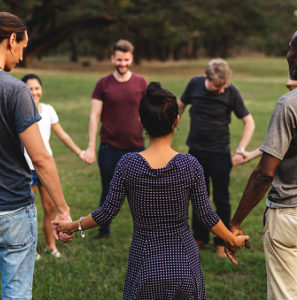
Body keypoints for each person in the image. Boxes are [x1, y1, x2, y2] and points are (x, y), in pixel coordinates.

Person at [54, 82, 249, 300]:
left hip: (144, 266)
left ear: (141, 122)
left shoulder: (128, 164)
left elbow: (107, 212)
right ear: (176, 121)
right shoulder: (190, 165)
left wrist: (71, 226)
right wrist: (231, 240)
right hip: (185, 265)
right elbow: (206, 215)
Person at [0, 12, 72, 299]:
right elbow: (40, 158)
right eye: (22, 48)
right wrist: (62, 209)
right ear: (12, 39)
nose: (20, 57)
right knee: (16, 293)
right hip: (14, 209)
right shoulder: (16, 91)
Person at [226, 29, 297, 300]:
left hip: (290, 215)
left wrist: (235, 223)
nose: (287, 54)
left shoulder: (289, 105)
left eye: (292, 49)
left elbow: (264, 175)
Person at [178, 58, 255, 257]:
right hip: (195, 153)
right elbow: (179, 106)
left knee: (222, 199)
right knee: (198, 198)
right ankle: (200, 238)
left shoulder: (232, 92)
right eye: (217, 86)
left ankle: (222, 242)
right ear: (206, 77)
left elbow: (249, 122)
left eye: (224, 86)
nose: (221, 90)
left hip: (220, 154)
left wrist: (240, 149)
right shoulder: (194, 84)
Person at [81, 39, 147, 239]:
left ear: (131, 59)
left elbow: (147, 114)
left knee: (141, 193)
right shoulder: (103, 83)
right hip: (109, 147)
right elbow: (94, 115)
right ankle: (103, 230)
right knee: (108, 190)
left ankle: (145, 231)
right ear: (112, 58)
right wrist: (91, 147)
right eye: (119, 60)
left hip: (136, 147)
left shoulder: (141, 82)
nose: (123, 63)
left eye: (126, 60)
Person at [21, 73, 83, 259]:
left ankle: (50, 244)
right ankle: (31, 249)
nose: (34, 92)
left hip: (46, 169)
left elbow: (62, 135)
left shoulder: (48, 110)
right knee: (28, 212)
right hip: (26, 168)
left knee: (50, 209)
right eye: (29, 89)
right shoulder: (19, 111)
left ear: (42, 89)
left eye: (36, 88)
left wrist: (79, 152)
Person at [233, 76, 297, 166]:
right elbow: (277, 142)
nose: (290, 74)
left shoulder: (288, 106)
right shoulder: (291, 103)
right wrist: (250, 155)